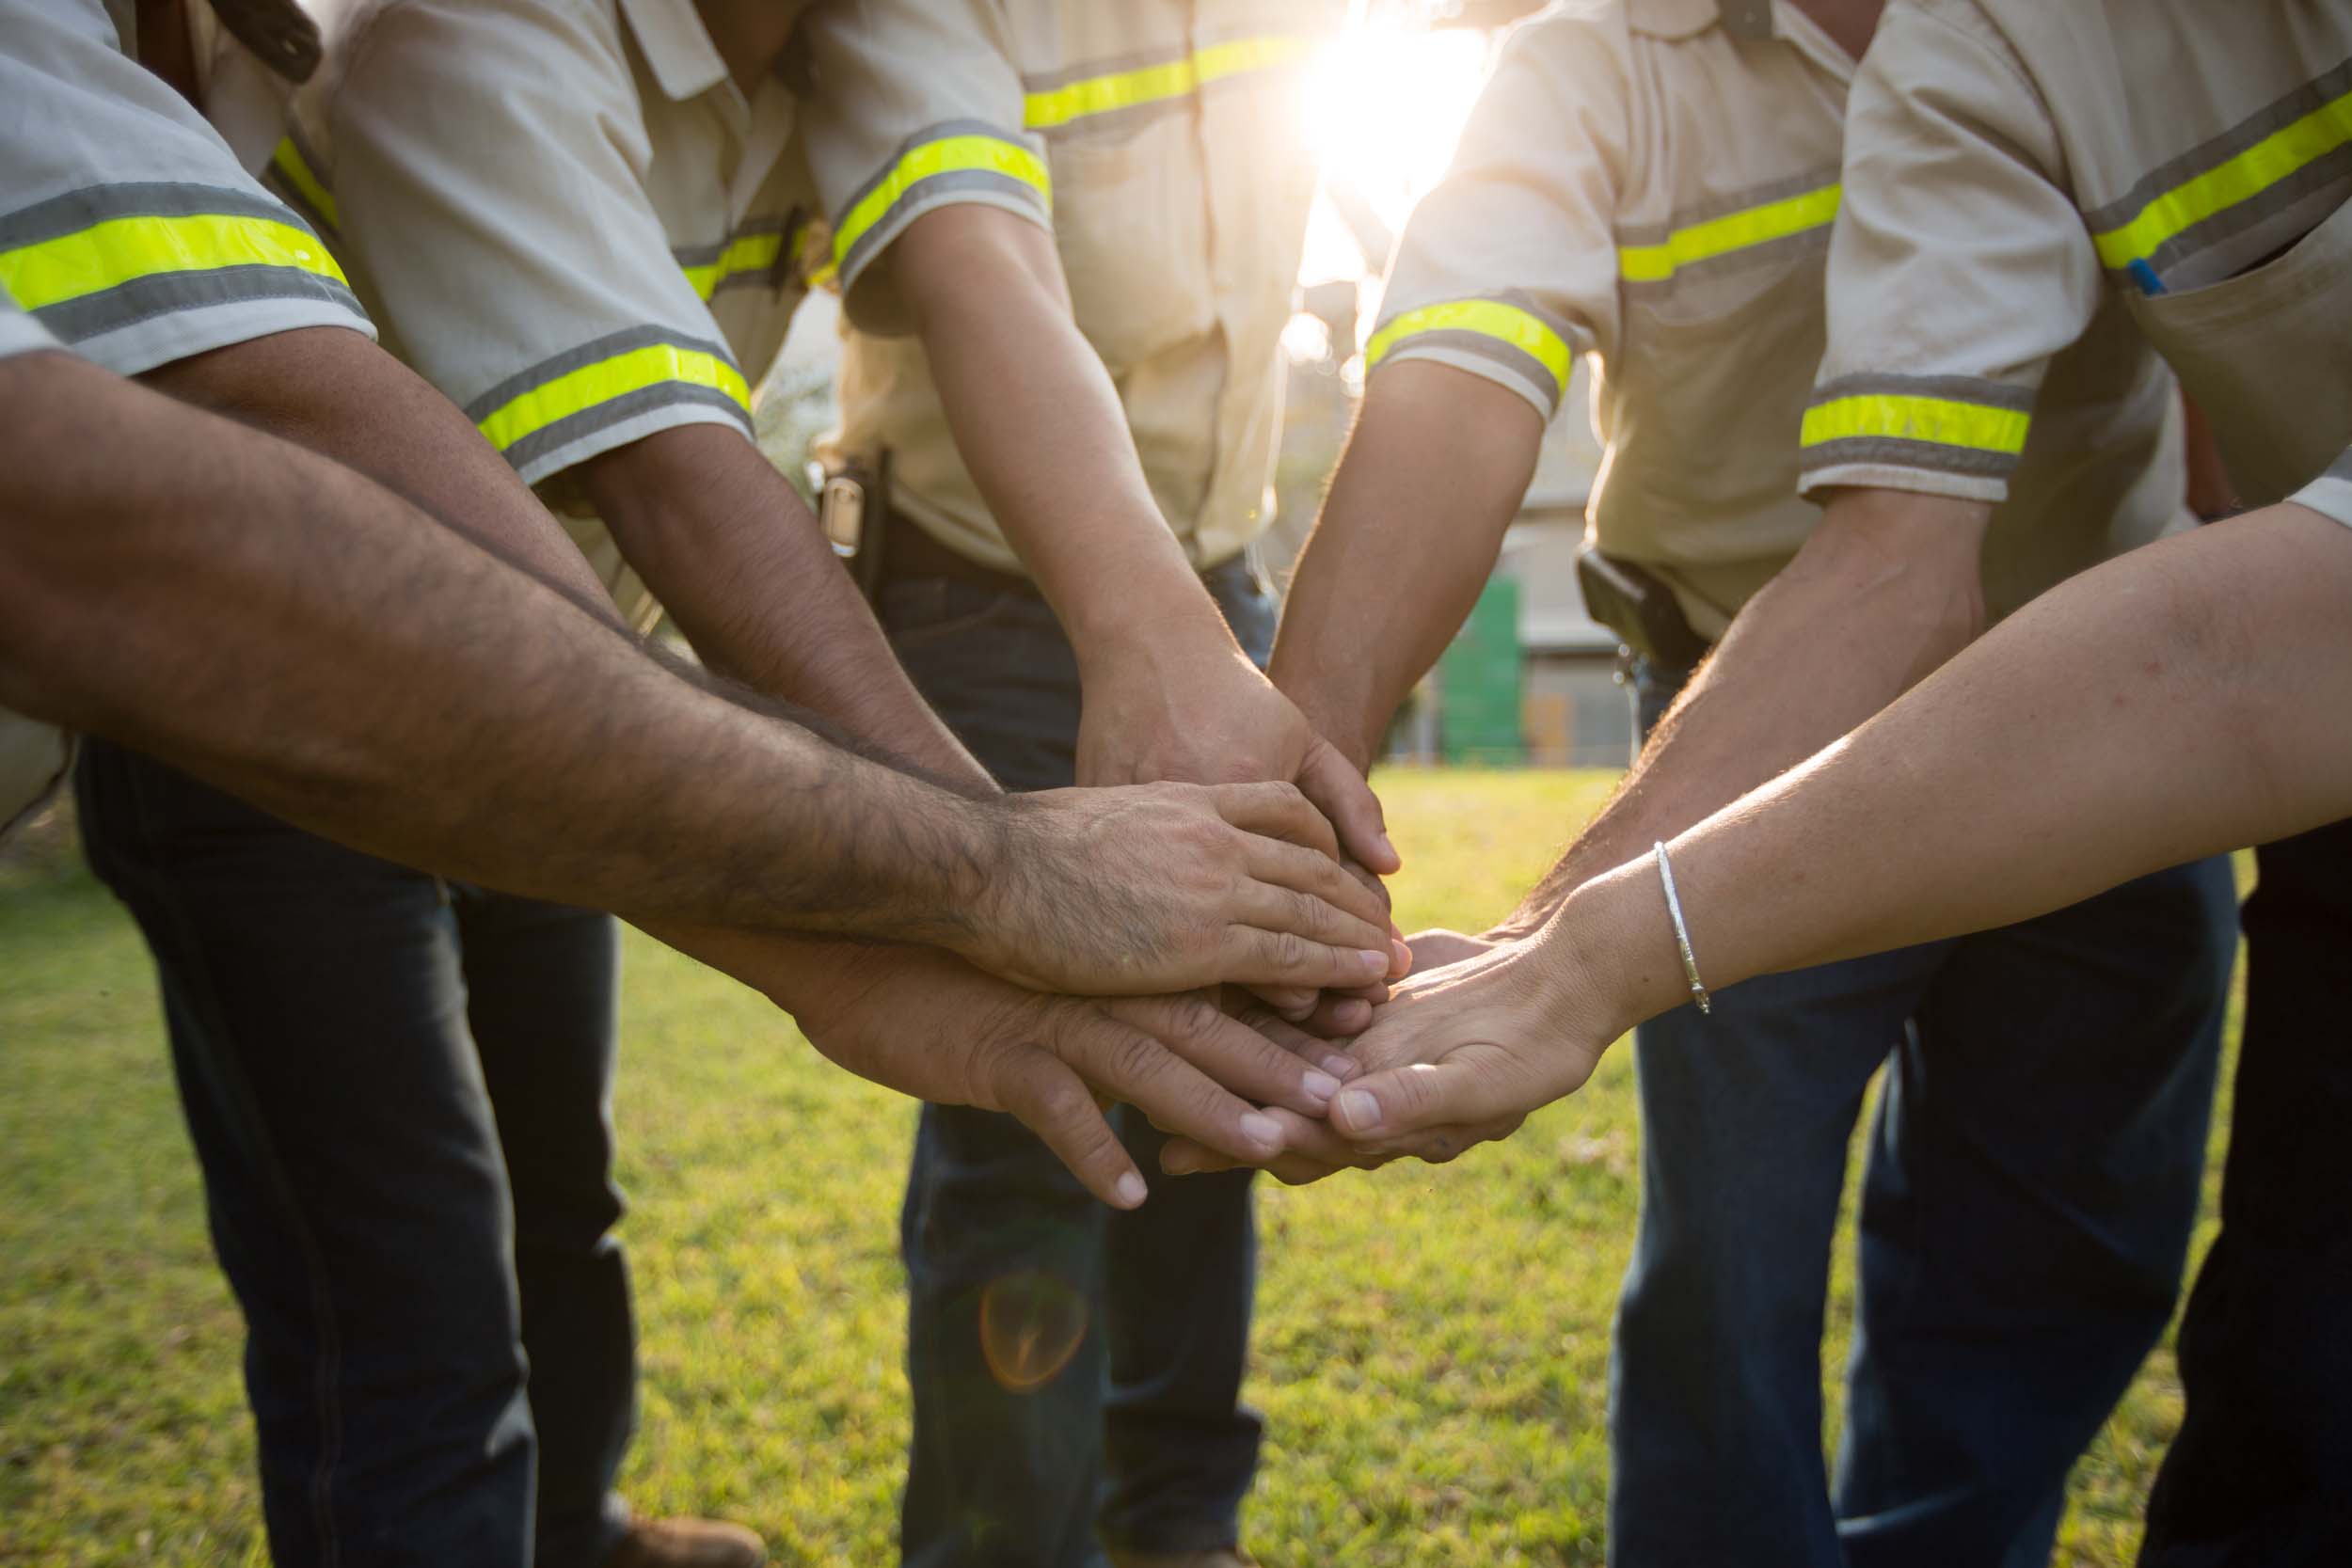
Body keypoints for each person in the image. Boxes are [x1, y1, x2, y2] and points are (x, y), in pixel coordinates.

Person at [0, 6, 1383, 1564]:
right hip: (283, 704)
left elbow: (983, 266)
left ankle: (577, 1527)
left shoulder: (871, 28)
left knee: (559, 1190)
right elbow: (656, 470)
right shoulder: (456, 36)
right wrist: (992, 877)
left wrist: (1123, 703)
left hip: (566, 693)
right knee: (405, 1299)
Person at [1203, 0, 2352, 1556]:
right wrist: (1328, 828)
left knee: (2072, 1245)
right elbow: (1468, 394)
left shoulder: (2004, 46)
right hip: (1762, 724)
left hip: (2125, 714)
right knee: (1732, 1269)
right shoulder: (1674, 69)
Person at [794, 4, 1350, 1561]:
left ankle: (1178, 1523)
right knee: (1034, 1112)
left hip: (1214, 582)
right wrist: (1149, 640)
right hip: (985, 595)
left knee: (1218, 1086)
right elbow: (980, 266)